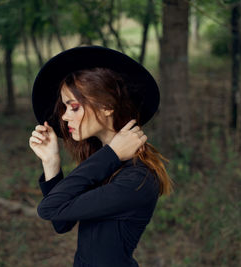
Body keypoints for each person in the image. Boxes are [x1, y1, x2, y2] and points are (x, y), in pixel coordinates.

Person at [29, 46, 174, 267]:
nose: (65, 116)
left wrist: (112, 153)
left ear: (107, 106)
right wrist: (51, 161)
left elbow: (49, 208)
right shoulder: (105, 162)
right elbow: (61, 223)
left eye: (74, 107)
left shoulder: (137, 178)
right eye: (64, 108)